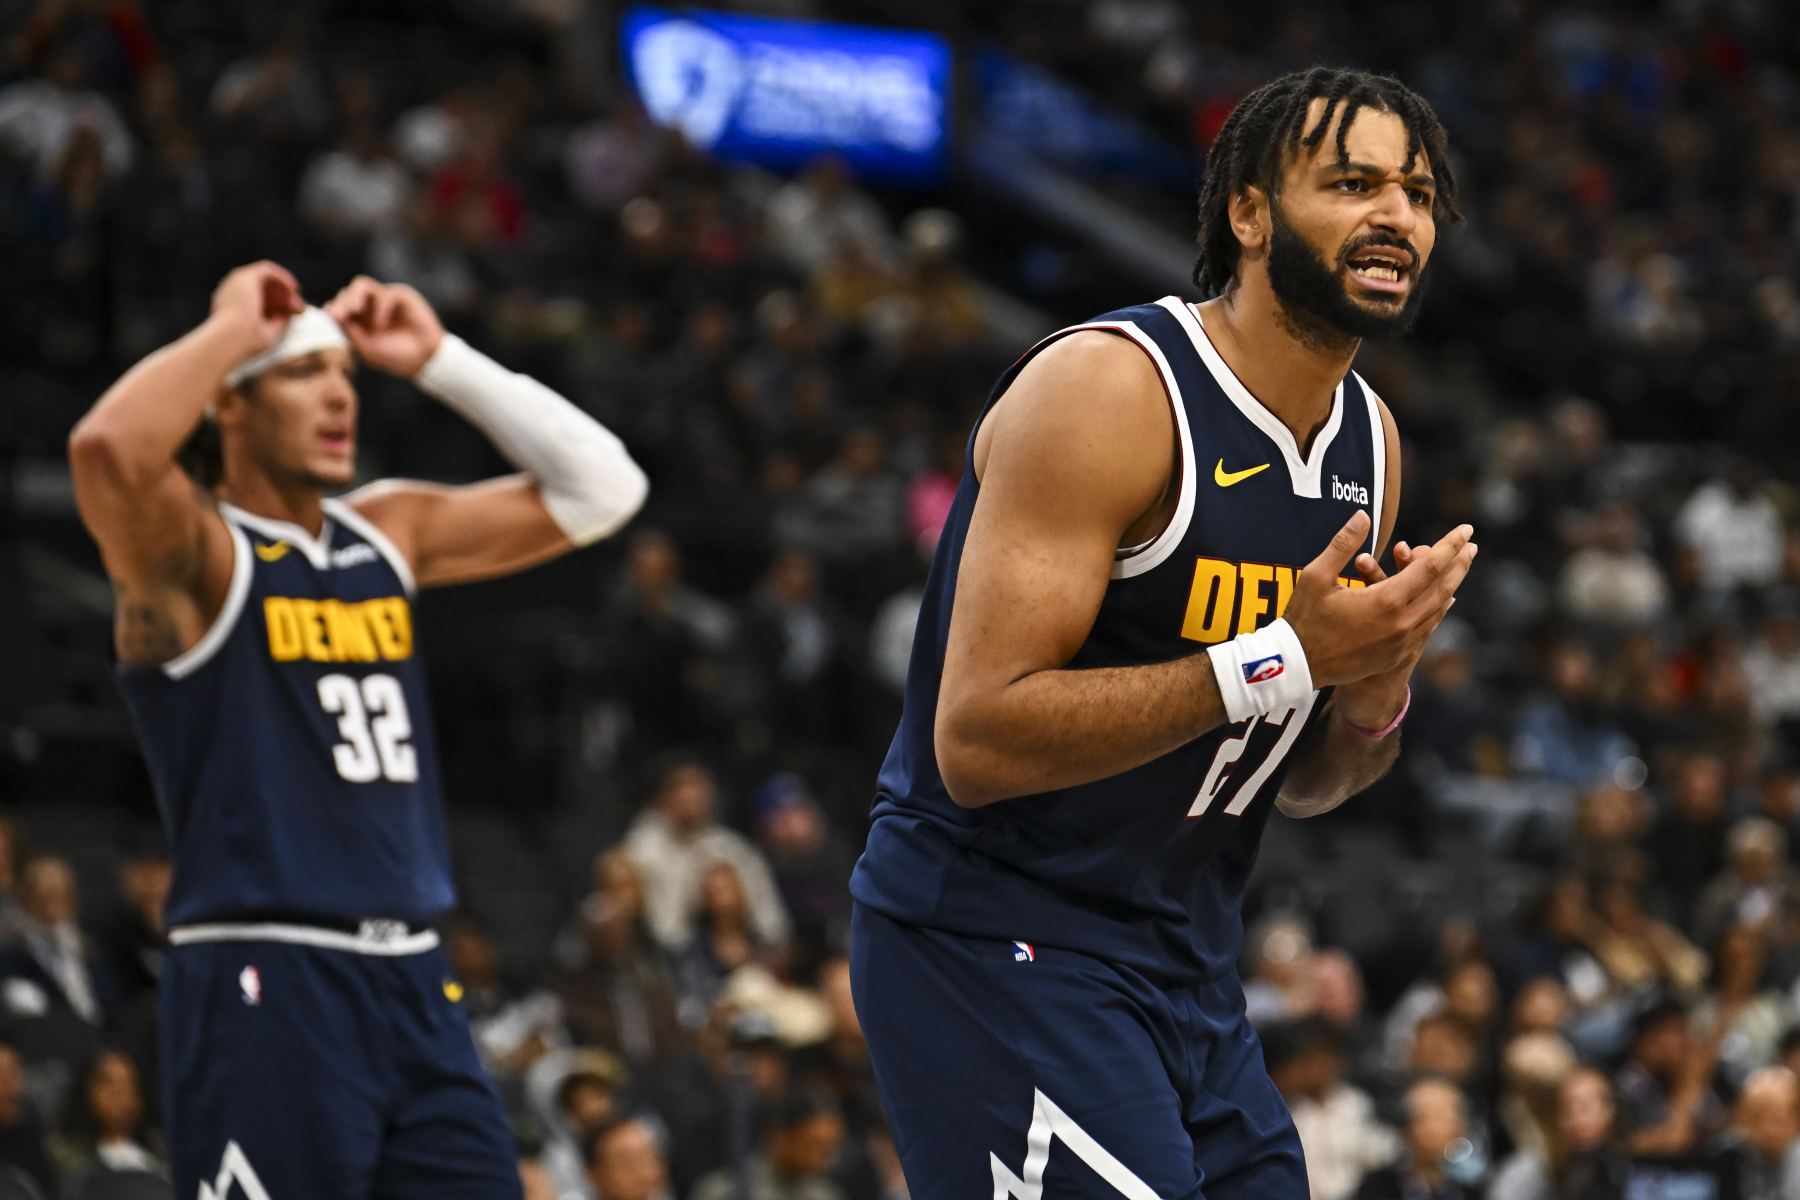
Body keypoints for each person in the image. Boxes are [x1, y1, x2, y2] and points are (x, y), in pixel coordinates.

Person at [849, 66, 1476, 1197]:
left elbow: (1306, 784)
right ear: (1248, 213)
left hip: (1186, 963)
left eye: (1417, 192)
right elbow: (978, 741)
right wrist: (1283, 654)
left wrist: (1377, 688)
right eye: (1352, 183)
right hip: (996, 940)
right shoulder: (1110, 391)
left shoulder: (1370, 446)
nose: (1397, 215)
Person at [67, 262, 648, 1197]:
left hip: (414, 973)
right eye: (304, 374)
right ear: (232, 406)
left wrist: (439, 360)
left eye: (346, 374)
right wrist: (228, 326)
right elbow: (107, 452)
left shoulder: (388, 531)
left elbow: (604, 489)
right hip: (267, 969)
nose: (340, 394)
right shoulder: (203, 555)